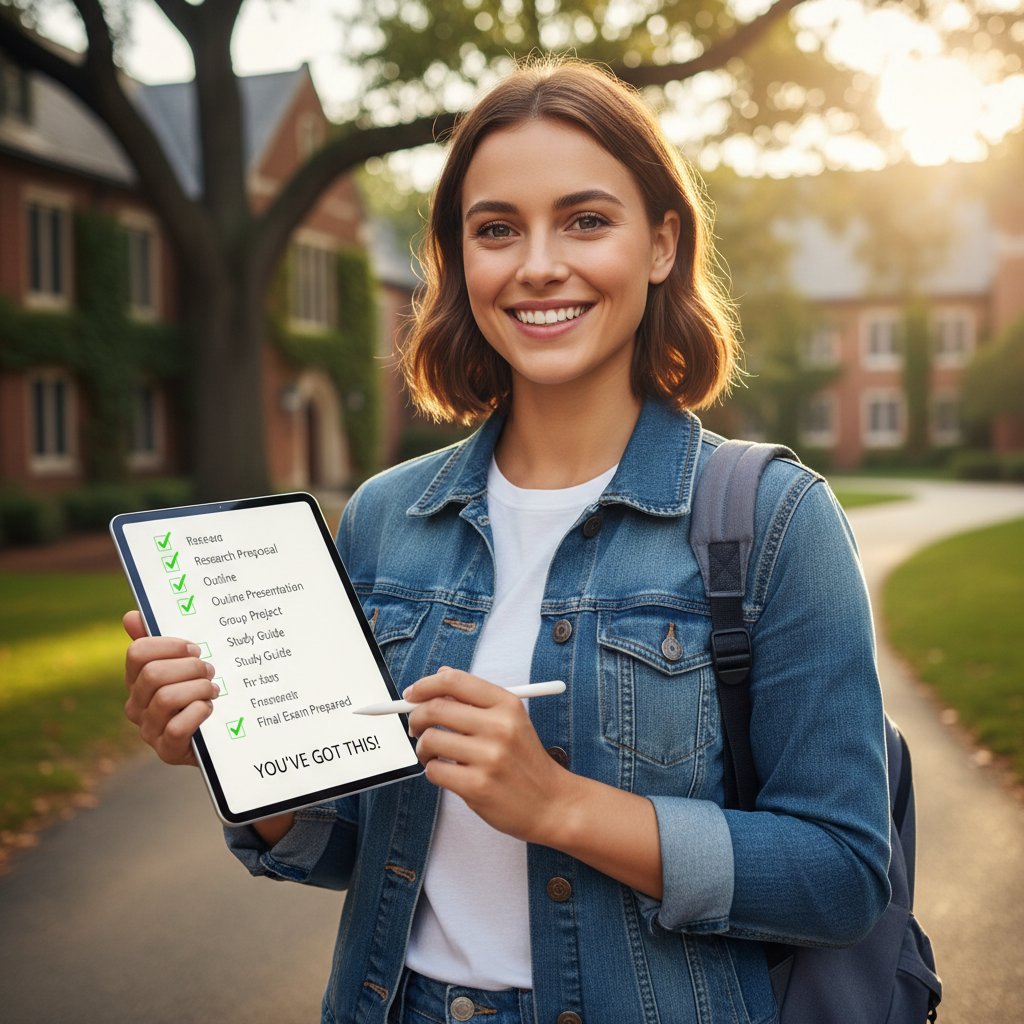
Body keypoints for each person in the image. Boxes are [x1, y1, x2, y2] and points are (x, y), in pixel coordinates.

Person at [123, 57, 891, 1024]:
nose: (537, 265)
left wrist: (559, 805)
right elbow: (351, 846)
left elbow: (841, 874)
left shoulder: (775, 519)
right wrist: (237, 757)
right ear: (460, 261)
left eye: (585, 220)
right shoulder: (385, 519)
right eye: (496, 229)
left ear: (661, 244)